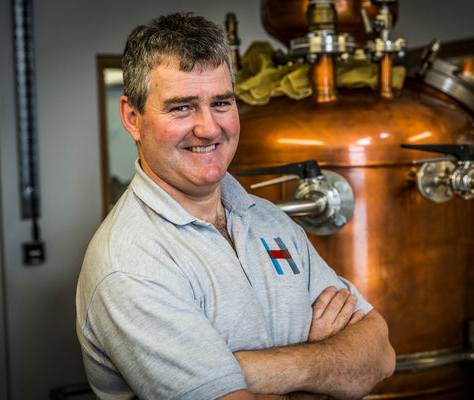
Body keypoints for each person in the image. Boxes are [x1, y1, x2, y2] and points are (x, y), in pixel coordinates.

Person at [76, 11, 395, 400]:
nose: (209, 128)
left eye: (222, 102)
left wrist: (249, 369)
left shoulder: (269, 219)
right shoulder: (130, 264)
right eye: (182, 107)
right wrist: (329, 368)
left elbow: (380, 354)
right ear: (132, 117)